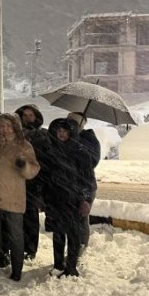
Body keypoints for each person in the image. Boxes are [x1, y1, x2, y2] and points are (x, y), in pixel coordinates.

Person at [0, 114, 40, 281]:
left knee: (16, 236)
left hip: (12, 197)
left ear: (15, 127)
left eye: (8, 125)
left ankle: (17, 270)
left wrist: (24, 165)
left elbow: (33, 170)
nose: (4, 129)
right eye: (1, 125)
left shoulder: (23, 146)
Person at [45, 118, 92, 277]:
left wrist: (86, 199)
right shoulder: (51, 151)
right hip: (56, 199)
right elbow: (46, 175)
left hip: (74, 199)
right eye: (58, 130)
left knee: (74, 235)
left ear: (71, 132)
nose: (61, 134)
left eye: (64, 130)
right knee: (58, 234)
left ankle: (71, 266)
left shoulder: (80, 152)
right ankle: (58, 264)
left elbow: (88, 178)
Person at [14, 104, 52, 260]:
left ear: (36, 117)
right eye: (25, 115)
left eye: (31, 115)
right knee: (16, 216)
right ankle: (17, 246)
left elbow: (46, 160)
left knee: (31, 216)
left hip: (34, 181)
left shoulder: (42, 135)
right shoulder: (15, 134)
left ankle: (30, 248)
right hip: (15, 180)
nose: (28, 118)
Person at [67, 112, 100, 255]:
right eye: (69, 120)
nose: (70, 124)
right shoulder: (67, 137)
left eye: (74, 122)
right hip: (68, 185)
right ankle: (72, 251)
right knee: (71, 221)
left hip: (85, 186)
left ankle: (80, 251)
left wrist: (77, 143)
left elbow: (92, 161)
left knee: (81, 219)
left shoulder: (89, 139)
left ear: (82, 124)